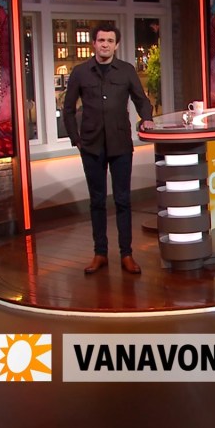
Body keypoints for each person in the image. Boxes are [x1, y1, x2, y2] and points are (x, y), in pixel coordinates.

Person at [63, 26, 155, 275]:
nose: (105, 44)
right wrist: (76, 139)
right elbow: (68, 109)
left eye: (110, 41)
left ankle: (127, 254)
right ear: (94, 43)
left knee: (123, 200)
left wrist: (146, 118)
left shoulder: (126, 70)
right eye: (101, 40)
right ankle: (100, 253)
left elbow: (141, 99)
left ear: (116, 45)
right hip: (91, 146)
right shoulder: (80, 72)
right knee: (97, 202)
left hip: (120, 144)